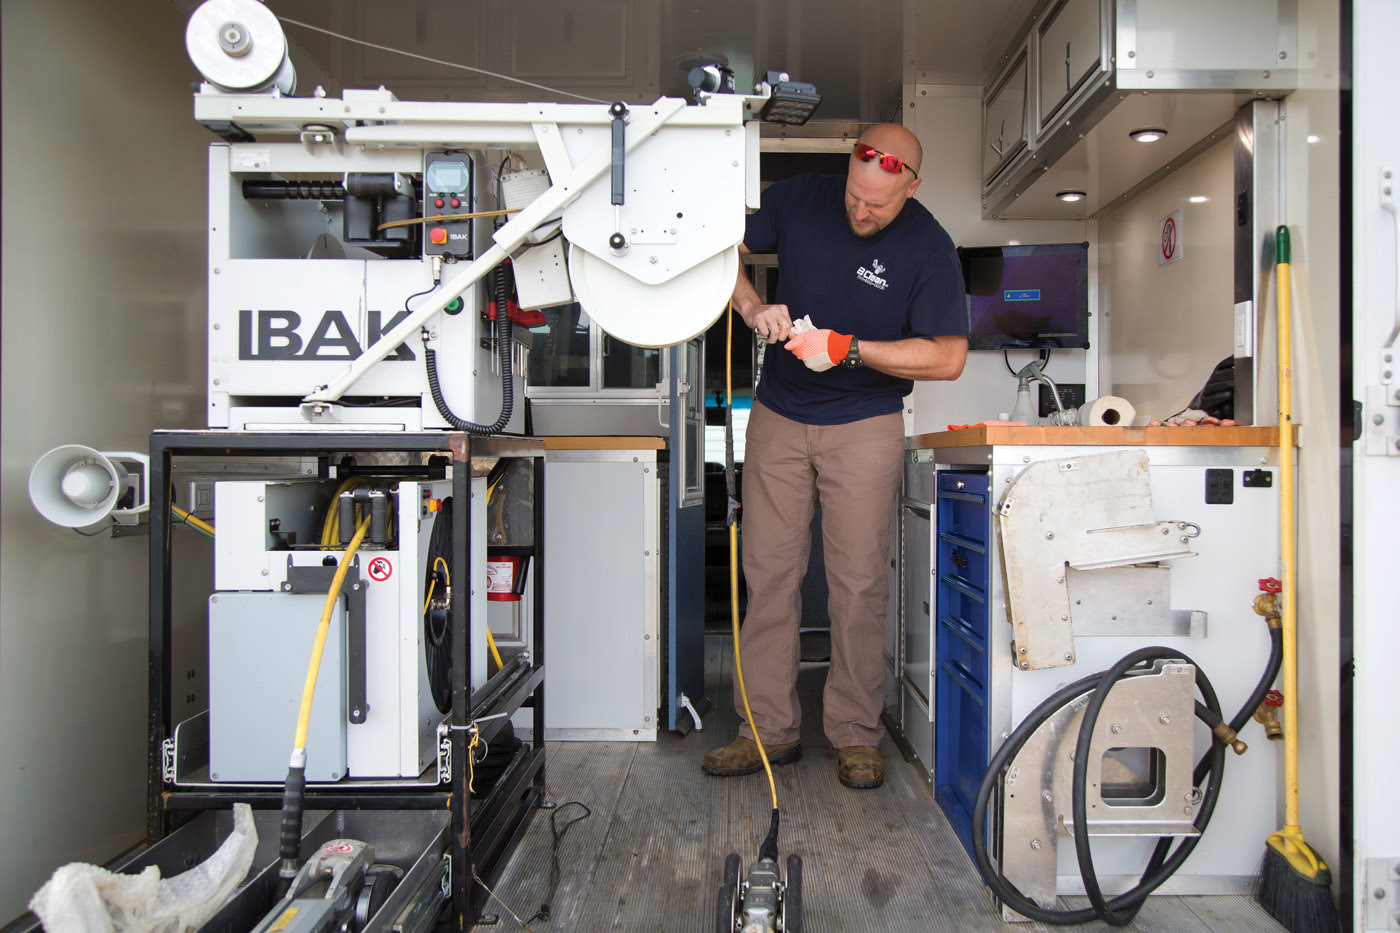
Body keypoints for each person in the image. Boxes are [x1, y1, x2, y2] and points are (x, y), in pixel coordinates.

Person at [701, 123, 968, 789]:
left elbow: (947, 356)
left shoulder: (929, 247)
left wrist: (847, 348)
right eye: (854, 194)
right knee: (769, 575)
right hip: (779, 415)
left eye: (877, 203)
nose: (860, 210)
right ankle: (766, 730)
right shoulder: (800, 198)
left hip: (865, 421)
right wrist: (752, 305)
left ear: (912, 186)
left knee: (857, 583)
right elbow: (712, 242)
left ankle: (854, 732)